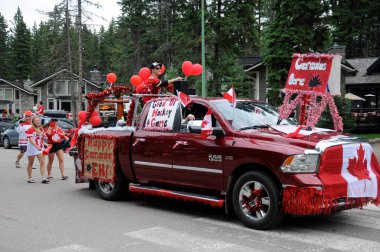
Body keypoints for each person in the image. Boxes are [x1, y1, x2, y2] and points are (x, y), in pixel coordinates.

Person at [26, 116, 49, 183]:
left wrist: (45, 144)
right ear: (33, 122)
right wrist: (36, 146)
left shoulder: (41, 129)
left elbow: (40, 139)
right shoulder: (30, 129)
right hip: (32, 148)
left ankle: (43, 178)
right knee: (31, 163)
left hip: (40, 148)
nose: (38, 121)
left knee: (42, 162)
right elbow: (31, 139)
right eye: (36, 120)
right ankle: (30, 178)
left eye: (38, 120)